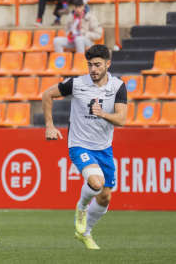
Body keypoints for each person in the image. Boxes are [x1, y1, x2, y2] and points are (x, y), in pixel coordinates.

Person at [42, 45, 127, 249]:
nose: (93, 69)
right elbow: (47, 95)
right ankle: (81, 208)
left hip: (104, 148)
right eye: (90, 65)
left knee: (105, 196)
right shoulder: (77, 83)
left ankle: (85, 233)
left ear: (108, 63)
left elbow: (122, 119)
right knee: (96, 184)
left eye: (97, 64)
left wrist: (103, 114)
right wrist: (49, 126)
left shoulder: (118, 86)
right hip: (79, 144)